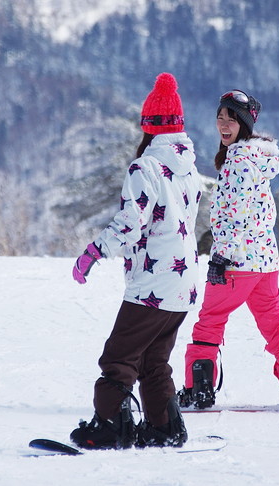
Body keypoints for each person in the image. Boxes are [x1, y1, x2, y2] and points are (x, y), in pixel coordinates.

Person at [70, 73, 201, 449]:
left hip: (153, 284)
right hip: (183, 284)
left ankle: (112, 427)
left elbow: (130, 224)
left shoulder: (144, 169)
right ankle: (165, 427)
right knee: (154, 361)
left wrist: (95, 252)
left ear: (148, 126)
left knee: (119, 357)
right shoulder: (188, 168)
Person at [178, 89, 279, 409]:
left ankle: (199, 389)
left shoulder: (239, 161)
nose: (224, 125)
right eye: (220, 117)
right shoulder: (257, 157)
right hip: (264, 262)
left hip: (236, 262)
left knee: (209, 323)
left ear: (245, 124)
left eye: (232, 119)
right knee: (274, 322)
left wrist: (222, 254)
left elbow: (234, 213)